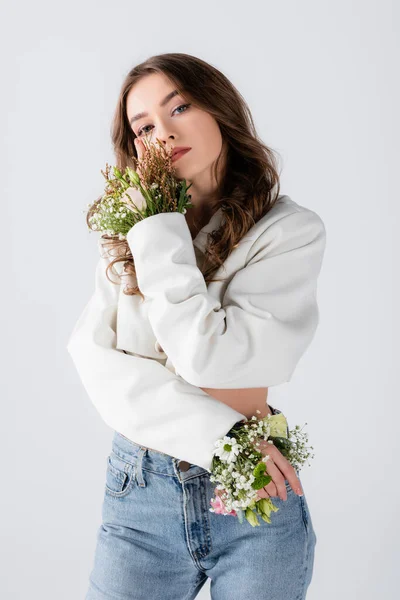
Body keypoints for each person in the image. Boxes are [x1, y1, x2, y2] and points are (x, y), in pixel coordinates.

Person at [67, 52, 326, 599]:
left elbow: (208, 357)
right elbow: (93, 360)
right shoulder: (130, 238)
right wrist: (223, 436)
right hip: (142, 491)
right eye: (143, 127)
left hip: (253, 491)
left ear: (219, 108)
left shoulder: (289, 233)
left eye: (179, 106)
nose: (162, 132)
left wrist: (158, 232)